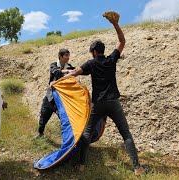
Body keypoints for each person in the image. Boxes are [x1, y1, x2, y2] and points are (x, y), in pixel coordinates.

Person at [57, 11, 145, 176]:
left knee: (87, 132)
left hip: (98, 104)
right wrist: (116, 24)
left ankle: (81, 165)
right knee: (125, 133)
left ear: (94, 52)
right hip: (114, 103)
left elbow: (75, 72)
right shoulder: (112, 59)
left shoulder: (91, 63)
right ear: (102, 51)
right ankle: (137, 167)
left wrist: (59, 80)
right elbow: (122, 41)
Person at [35, 49, 75, 138]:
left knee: (64, 118)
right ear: (60, 56)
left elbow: (74, 74)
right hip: (50, 97)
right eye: (66, 56)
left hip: (62, 99)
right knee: (44, 115)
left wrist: (71, 71)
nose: (68, 58)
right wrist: (66, 72)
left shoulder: (70, 67)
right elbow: (55, 71)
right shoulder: (53, 65)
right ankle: (40, 133)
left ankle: (70, 138)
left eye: (68, 55)